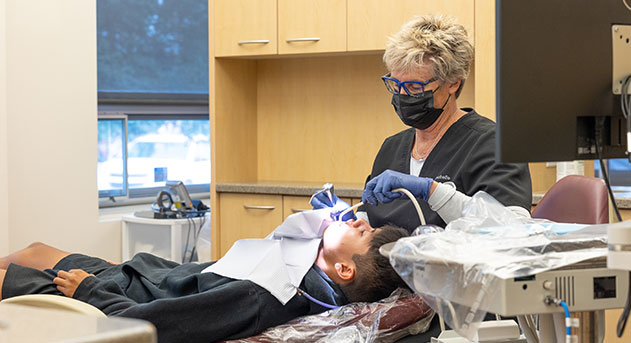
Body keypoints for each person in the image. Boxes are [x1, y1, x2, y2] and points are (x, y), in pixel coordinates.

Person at [0, 213, 408, 343]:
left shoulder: (270, 294)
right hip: (140, 274)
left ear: (344, 269)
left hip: (113, 294)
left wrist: (89, 290)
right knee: (35, 250)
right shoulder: (309, 268)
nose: (357, 219)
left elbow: (155, 324)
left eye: (362, 232)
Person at [358, 14, 532, 231]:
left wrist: (432, 191)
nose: (402, 96)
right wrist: (345, 219)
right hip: (385, 264)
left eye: (414, 87)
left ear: (452, 83)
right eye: (395, 84)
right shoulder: (391, 148)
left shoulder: (494, 144)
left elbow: (514, 228)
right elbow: (368, 216)